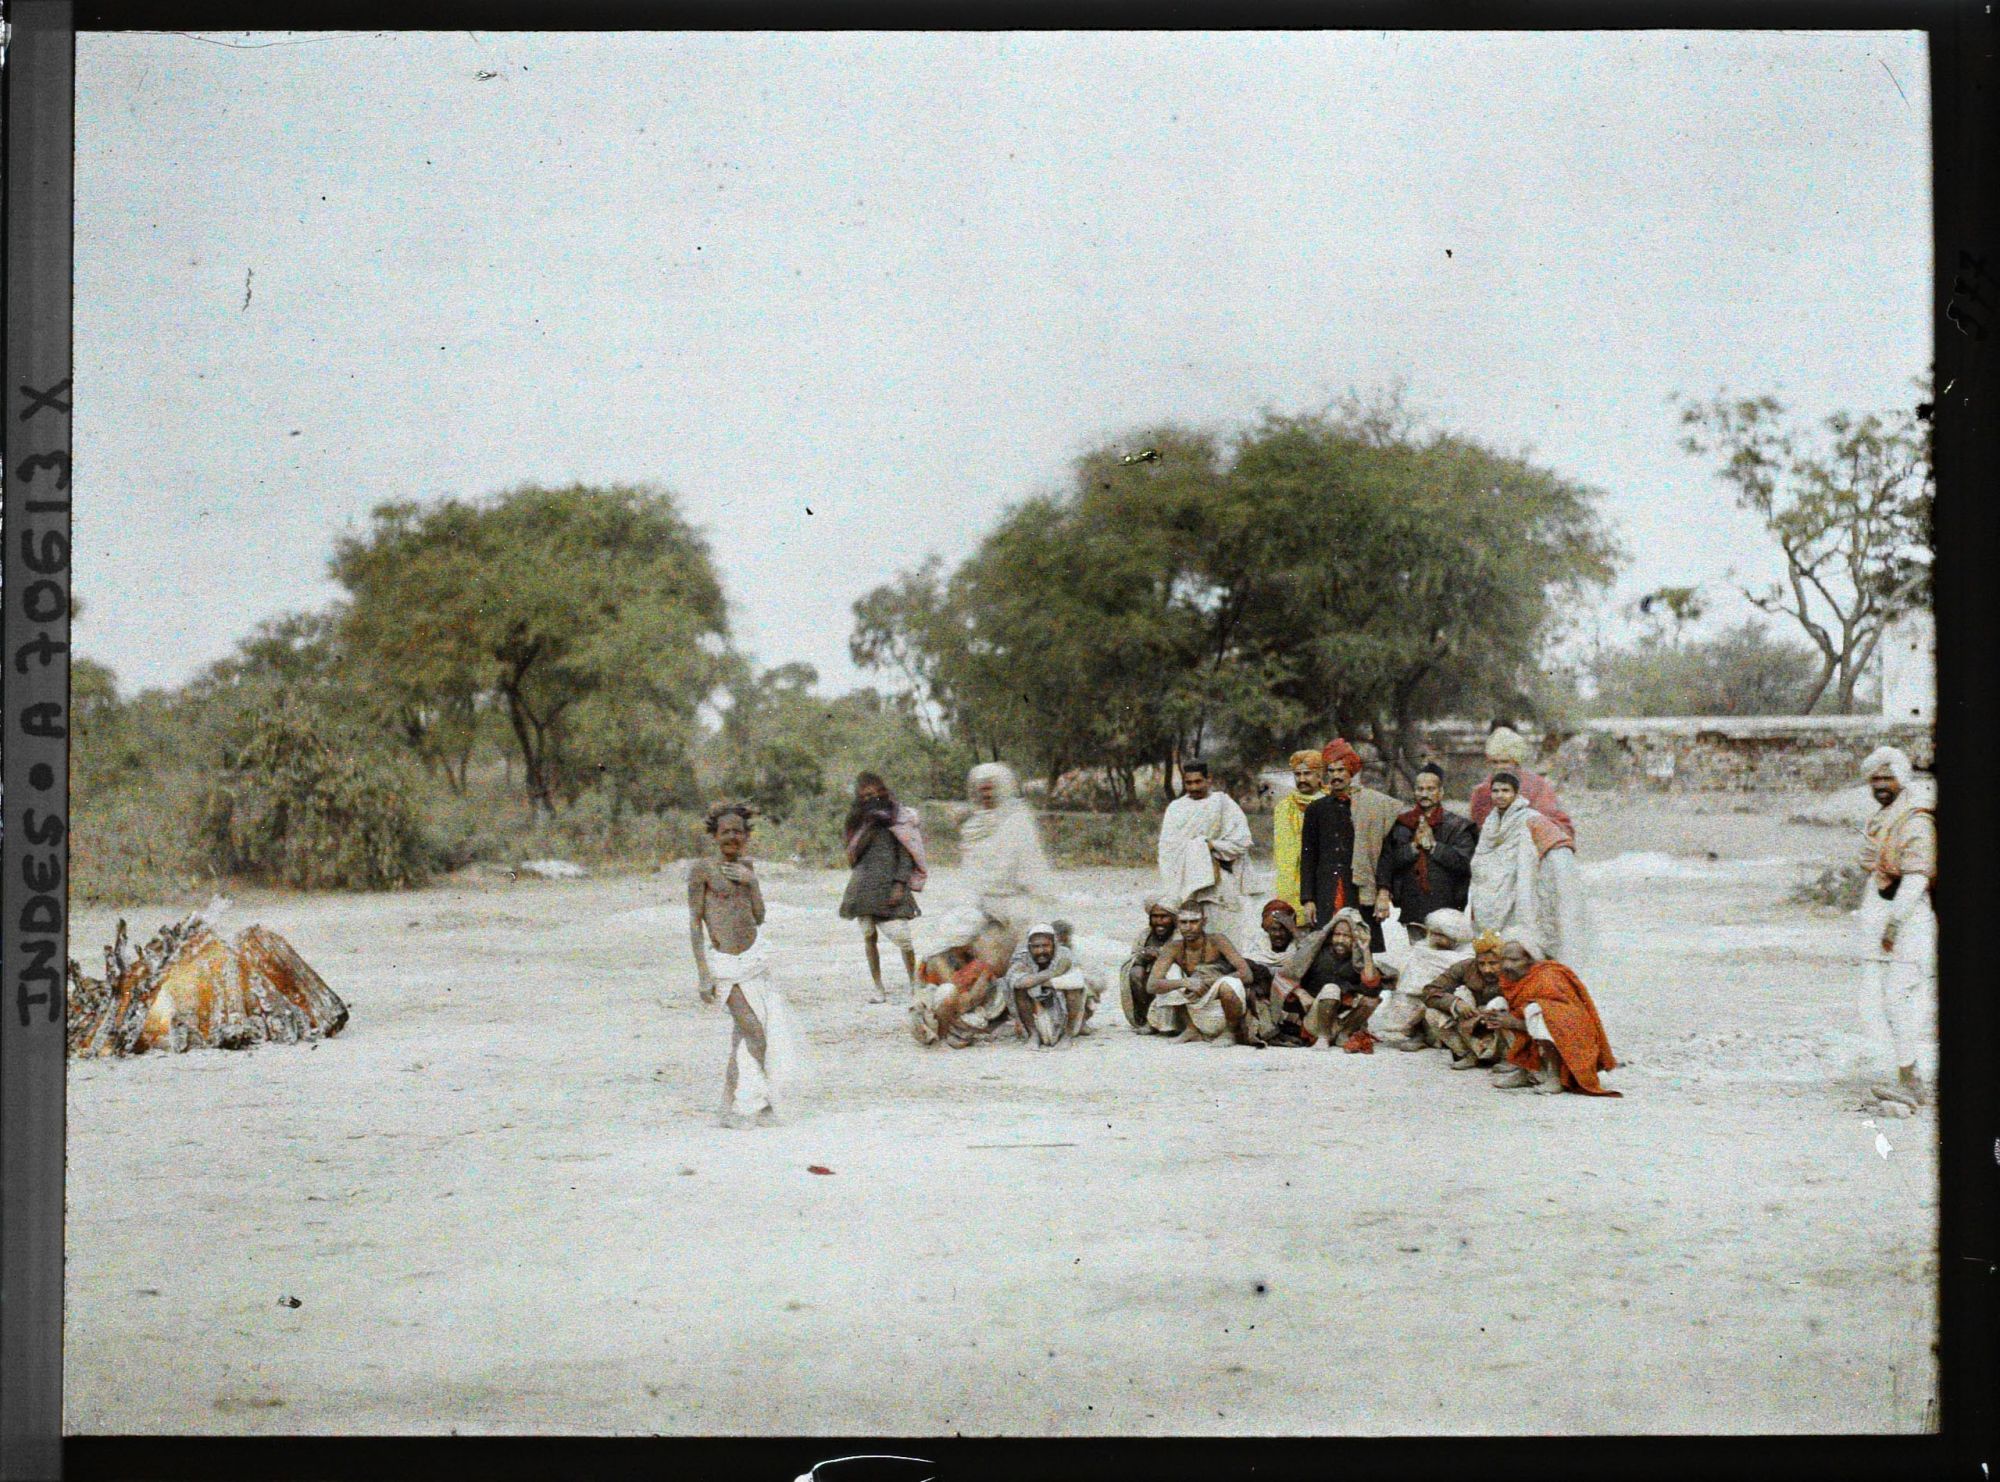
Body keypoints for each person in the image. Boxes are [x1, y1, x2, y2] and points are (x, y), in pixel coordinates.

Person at [688, 802, 804, 1127]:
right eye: (726, 832)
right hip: (724, 965)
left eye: (738, 832)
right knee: (754, 1033)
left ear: (746, 836)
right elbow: (695, 925)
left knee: (745, 1034)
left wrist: (750, 881)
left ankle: (736, 1107)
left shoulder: (748, 867)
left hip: (753, 962)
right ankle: (741, 1105)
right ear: (715, 835)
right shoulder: (702, 870)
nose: (732, 837)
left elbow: (760, 916)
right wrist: (703, 974)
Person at [1857, 746, 1937, 1104]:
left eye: (1887, 777)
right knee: (1881, 1003)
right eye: (1874, 778)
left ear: (1902, 779)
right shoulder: (1884, 817)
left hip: (1908, 920)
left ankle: (1911, 1081)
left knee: (1900, 1000)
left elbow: (1917, 876)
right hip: (1887, 919)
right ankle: (1908, 1074)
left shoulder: (1915, 819)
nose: (1880, 785)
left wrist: (1893, 924)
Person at [1468, 771, 1589, 965]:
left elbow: (1558, 846)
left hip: (1522, 894)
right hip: (1494, 897)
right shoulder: (1490, 824)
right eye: (1495, 791)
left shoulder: (1532, 819)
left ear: (1516, 794)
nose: (1500, 795)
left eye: (1505, 791)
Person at [1474, 937, 1620, 1096]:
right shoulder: (1511, 976)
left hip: (1567, 1036)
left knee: (1535, 1011)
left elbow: (1558, 1020)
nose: (1507, 965)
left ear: (1530, 959)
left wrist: (1514, 1023)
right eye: (1504, 959)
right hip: (1534, 1027)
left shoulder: (1548, 976)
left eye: (1514, 960)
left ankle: (1554, 1076)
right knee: (1497, 1006)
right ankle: (1526, 1069)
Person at [1297, 737, 1403, 953]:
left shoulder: (1372, 806)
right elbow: (1308, 856)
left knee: (1363, 947)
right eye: (1331, 770)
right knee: (1325, 947)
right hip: (1326, 891)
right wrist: (1307, 899)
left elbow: (1384, 854)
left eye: (1341, 770)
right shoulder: (1316, 810)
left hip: (1359, 889)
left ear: (1351, 772)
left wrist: (1383, 892)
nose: (1336, 776)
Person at [838, 772, 927, 1003]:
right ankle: (879, 989)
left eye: (877, 793)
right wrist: (866, 827)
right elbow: (851, 855)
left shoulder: (898, 819)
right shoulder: (856, 821)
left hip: (890, 886)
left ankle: (915, 986)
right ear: (859, 797)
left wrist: (899, 884)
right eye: (866, 795)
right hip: (863, 887)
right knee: (869, 937)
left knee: (904, 940)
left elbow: (906, 855)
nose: (873, 798)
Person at [1376, 763, 1479, 943]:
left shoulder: (1458, 826)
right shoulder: (1401, 824)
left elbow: (1465, 864)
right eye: (1420, 789)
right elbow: (1389, 861)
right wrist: (1413, 848)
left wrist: (1434, 846)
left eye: (1430, 789)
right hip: (1413, 906)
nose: (1424, 794)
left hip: (1447, 907)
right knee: (1418, 958)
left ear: (1441, 792)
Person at [1156, 758, 1254, 931]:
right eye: (1189, 783)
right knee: (1189, 928)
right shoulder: (1176, 808)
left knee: (1223, 929)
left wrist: (1212, 846)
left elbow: (1242, 841)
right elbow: (1167, 850)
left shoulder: (1223, 803)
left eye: (1198, 781)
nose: (1194, 787)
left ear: (1209, 779)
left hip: (1220, 879)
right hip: (1184, 881)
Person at [1144, 903, 1258, 1044]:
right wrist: (1185, 982)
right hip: (1192, 1002)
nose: (1188, 927)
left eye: (1194, 922)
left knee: (1230, 984)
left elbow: (1246, 974)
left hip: (1219, 1003)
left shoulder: (1217, 940)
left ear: (1204, 922)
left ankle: (1229, 1032)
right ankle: (1190, 1029)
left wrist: (1211, 981)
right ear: (1177, 923)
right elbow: (1152, 985)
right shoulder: (1173, 947)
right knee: (1170, 972)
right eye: (1183, 922)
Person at [1374, 906, 1475, 1048]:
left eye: (1441, 935)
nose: (1435, 938)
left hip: (1448, 999)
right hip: (1424, 998)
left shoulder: (1466, 955)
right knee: (1413, 994)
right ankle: (1417, 1034)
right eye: (1433, 933)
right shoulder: (1422, 951)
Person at [1414, 927, 1511, 1067]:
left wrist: (1485, 1015)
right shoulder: (1465, 967)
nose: (1486, 969)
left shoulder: (1512, 972)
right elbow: (1430, 991)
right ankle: (1466, 1054)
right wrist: (1455, 1003)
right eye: (1481, 963)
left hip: (1497, 1022)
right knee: (1432, 1014)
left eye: (1493, 963)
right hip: (1469, 1020)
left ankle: (1507, 1059)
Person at [1468, 726, 1576, 845]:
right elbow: (1478, 829)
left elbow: (1555, 820)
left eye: (1505, 762)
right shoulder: (1482, 792)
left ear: (1516, 762)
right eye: (1495, 762)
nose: (1500, 767)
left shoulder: (1537, 786)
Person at [1002, 922, 1094, 1048]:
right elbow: (1017, 982)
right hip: (1036, 1005)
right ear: (1029, 947)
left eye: (1045, 946)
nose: (1041, 951)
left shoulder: (1065, 954)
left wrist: (1037, 982)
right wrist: (1053, 973)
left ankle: (1068, 1035)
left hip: (1061, 1002)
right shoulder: (1022, 957)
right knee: (1019, 990)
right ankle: (1033, 1035)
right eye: (1036, 946)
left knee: (1074, 989)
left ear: (1054, 945)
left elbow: (1076, 980)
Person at [1271, 750, 1328, 915]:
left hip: (1324, 876)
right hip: (1293, 882)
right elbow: (1282, 853)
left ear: (1319, 776)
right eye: (1298, 774)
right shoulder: (1284, 807)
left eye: (1308, 774)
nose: (1302, 779)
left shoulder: (1332, 803)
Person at [1119, 895, 1183, 1031]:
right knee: (1135, 972)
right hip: (1148, 980)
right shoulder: (1144, 935)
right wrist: (1143, 956)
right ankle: (1147, 1020)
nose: (1159, 921)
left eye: (1164, 916)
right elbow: (1132, 957)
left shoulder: (1180, 935)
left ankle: (1173, 1021)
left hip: (1170, 979)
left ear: (1174, 918)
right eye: (1155, 916)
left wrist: (1162, 957)